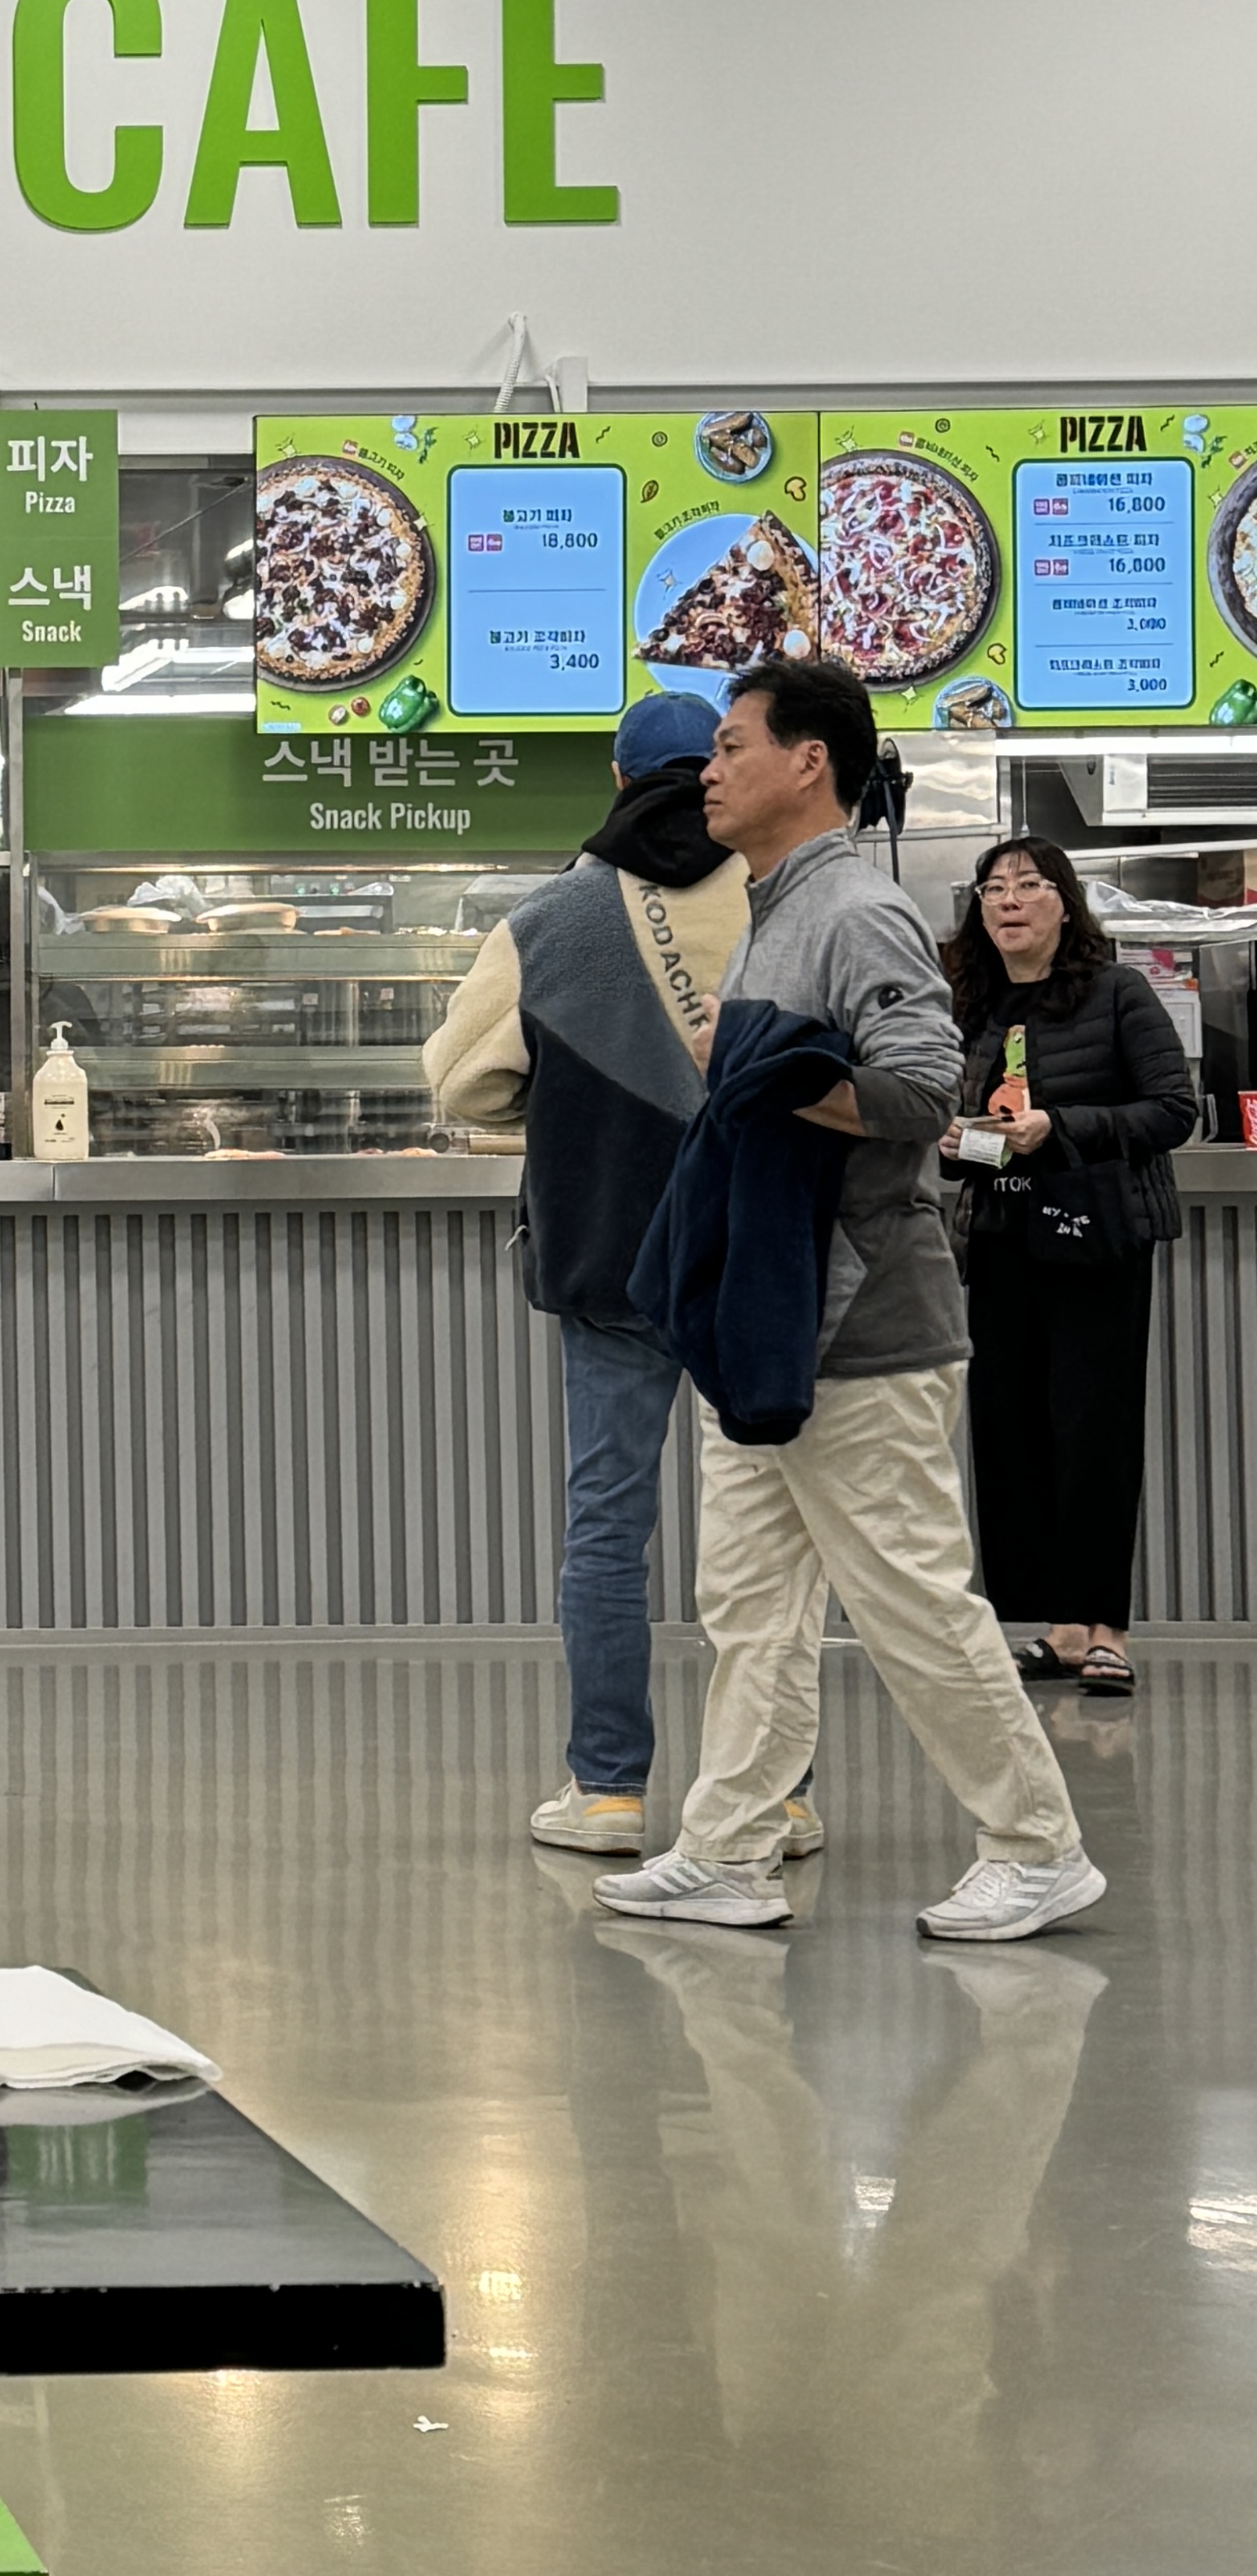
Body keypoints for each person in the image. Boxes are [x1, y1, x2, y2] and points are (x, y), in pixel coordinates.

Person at [598, 655, 1105, 1943]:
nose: (706, 772)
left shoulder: (856, 910)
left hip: (860, 1323)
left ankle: (1036, 1846)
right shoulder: (774, 905)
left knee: (909, 1598)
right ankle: (728, 1848)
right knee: (749, 1603)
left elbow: (920, 1089)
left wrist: (754, 1071)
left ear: (806, 760)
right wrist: (745, 1059)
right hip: (767, 1327)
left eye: (730, 744)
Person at [427, 691, 819, 1863]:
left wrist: (573, 1111)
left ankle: (606, 1791)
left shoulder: (553, 915)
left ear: (614, 778)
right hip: (756, 1253)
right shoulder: (785, 901)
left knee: (607, 1523)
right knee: (773, 1532)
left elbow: (460, 1084)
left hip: (610, 1252)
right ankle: (778, 1795)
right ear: (721, 769)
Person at [938, 834, 1191, 1699]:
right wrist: (957, 1141)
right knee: (1010, 1435)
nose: (1007, 901)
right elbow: (965, 1124)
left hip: (1096, 1241)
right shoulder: (969, 1005)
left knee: (1094, 1435)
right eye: (992, 889)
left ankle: (1105, 1628)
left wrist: (1061, 1127)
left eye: (1028, 885)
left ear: (1063, 901)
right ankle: (1053, 1627)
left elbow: (1171, 1110)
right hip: (1000, 1238)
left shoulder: (1117, 991)